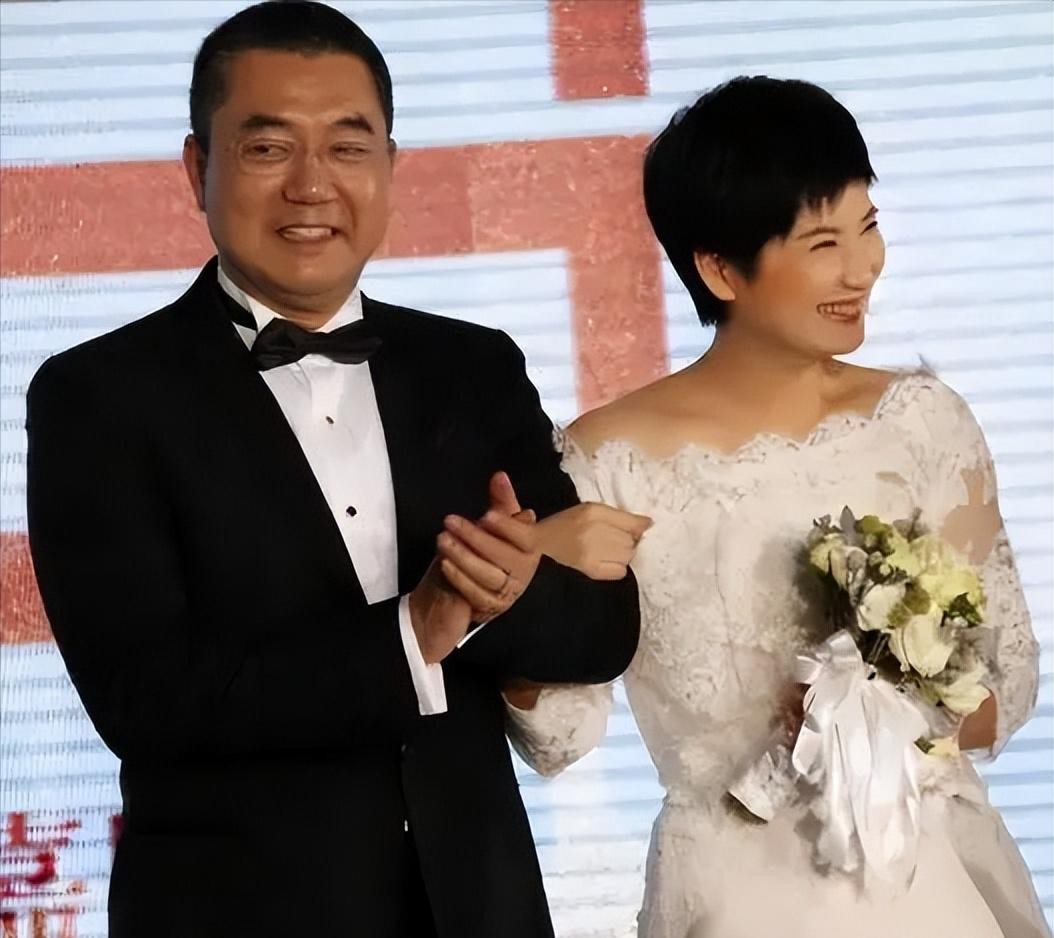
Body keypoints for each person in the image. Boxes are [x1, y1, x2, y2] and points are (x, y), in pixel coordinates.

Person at [24, 3, 647, 936]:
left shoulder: (473, 366)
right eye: (268, 148)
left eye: (348, 148)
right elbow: (146, 698)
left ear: (390, 167)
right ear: (198, 168)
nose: (312, 185)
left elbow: (604, 627)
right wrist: (415, 629)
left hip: (480, 908)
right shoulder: (98, 396)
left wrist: (509, 591)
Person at [506, 77, 1049, 938]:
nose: (861, 268)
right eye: (823, 242)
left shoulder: (921, 421)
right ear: (720, 269)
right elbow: (561, 736)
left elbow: (1004, 685)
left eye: (868, 227)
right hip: (736, 887)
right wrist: (514, 595)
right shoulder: (605, 459)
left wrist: (885, 699)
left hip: (928, 871)